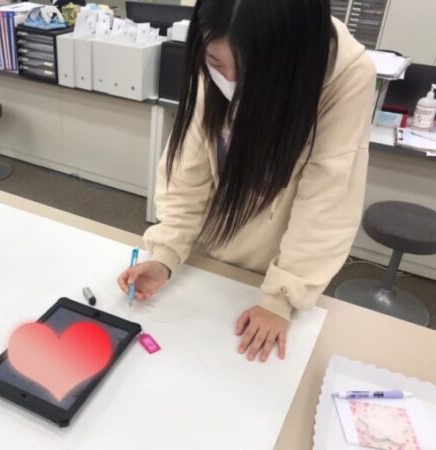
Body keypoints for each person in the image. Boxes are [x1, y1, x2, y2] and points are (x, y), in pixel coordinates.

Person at [118, 0, 376, 362]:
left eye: (250, 72)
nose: (229, 82)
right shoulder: (219, 51)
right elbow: (189, 169)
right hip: (208, 260)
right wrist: (166, 254)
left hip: (278, 268)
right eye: (216, 63)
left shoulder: (346, 76)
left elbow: (326, 201)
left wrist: (280, 299)